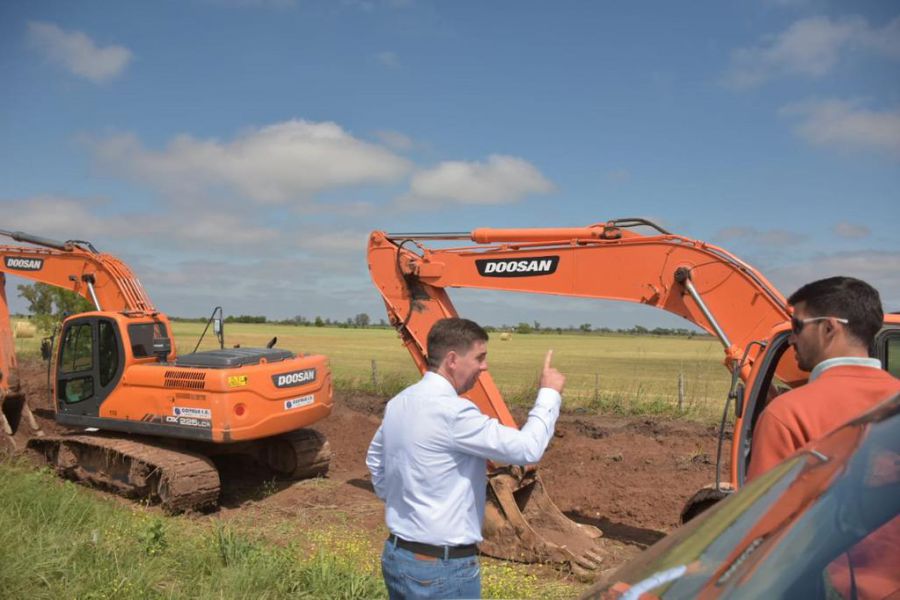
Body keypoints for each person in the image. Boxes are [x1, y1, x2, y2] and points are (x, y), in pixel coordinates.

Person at [366, 317, 564, 599]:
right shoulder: (453, 413)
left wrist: (406, 502)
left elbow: (375, 458)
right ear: (452, 360)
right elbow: (528, 449)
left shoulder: (401, 402)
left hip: (399, 556)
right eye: (480, 357)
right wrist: (549, 394)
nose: (484, 366)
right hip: (442, 570)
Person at [747, 276, 900, 480]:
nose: (792, 338)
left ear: (829, 328)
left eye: (798, 327)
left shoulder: (788, 414)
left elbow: (764, 508)